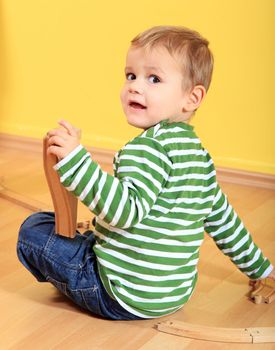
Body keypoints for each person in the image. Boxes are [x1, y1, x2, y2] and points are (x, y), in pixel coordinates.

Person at [17, 25, 274, 320]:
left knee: (34, 229)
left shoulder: (148, 149)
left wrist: (77, 161)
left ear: (192, 98)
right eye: (131, 75)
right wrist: (262, 269)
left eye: (154, 79)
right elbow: (224, 221)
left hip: (117, 293)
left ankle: (76, 282)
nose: (135, 86)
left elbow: (124, 212)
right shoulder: (199, 157)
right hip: (171, 296)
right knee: (73, 228)